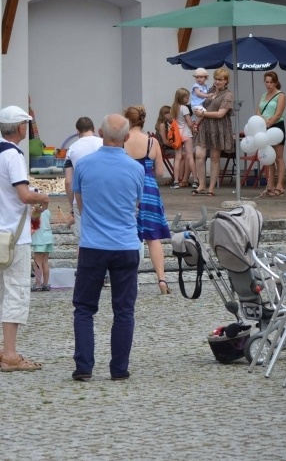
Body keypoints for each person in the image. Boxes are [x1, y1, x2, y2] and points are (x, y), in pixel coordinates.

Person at [71, 113, 145, 381]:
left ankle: (84, 366)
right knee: (124, 310)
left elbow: (80, 203)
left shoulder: (84, 165)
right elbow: (136, 204)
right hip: (125, 244)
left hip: (93, 244)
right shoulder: (137, 169)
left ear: (100, 134)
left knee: (83, 308)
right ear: (126, 137)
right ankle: (119, 368)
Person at [0, 105, 49, 372]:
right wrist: (42, 196)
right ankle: (10, 354)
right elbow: (23, 195)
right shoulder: (13, 155)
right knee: (17, 292)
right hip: (15, 236)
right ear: (21, 127)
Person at [124, 106, 172, 295]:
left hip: (127, 188)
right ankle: (161, 279)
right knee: (153, 238)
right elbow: (160, 172)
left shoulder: (122, 142)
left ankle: (129, 279)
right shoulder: (152, 142)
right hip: (149, 188)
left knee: (127, 235)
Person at [192, 68, 235, 196]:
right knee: (199, 155)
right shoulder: (209, 90)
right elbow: (202, 106)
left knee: (215, 158)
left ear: (226, 81)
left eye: (220, 79)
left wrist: (203, 114)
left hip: (218, 126)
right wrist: (197, 122)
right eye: (216, 78)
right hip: (205, 125)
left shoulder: (228, 95)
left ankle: (211, 188)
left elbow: (221, 114)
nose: (217, 81)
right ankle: (201, 184)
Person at [64, 117, 103, 239]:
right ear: (94, 129)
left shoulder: (72, 149)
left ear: (77, 131)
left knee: (83, 241)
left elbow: (69, 182)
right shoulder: (103, 144)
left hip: (81, 199)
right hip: (103, 198)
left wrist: (72, 205)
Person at [257, 71, 286, 197]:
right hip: (264, 127)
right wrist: (261, 122)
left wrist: (269, 123)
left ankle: (280, 185)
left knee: (278, 157)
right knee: (269, 158)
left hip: (276, 127)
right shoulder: (263, 95)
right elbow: (258, 110)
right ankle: (270, 184)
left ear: (275, 82)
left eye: (271, 82)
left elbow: (278, 113)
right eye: (267, 82)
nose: (268, 85)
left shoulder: (280, 95)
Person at [172, 88, 198, 189]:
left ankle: (175, 181)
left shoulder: (173, 108)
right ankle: (195, 180)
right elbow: (189, 122)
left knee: (177, 158)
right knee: (190, 157)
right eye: (187, 97)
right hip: (186, 133)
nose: (188, 99)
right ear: (182, 98)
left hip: (177, 135)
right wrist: (194, 125)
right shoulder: (184, 108)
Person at [155, 105, 180, 187]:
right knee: (182, 154)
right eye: (170, 113)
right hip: (164, 150)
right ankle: (178, 178)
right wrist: (176, 145)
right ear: (164, 114)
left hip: (165, 148)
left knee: (182, 154)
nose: (171, 115)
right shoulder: (162, 125)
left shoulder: (165, 124)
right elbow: (165, 142)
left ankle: (177, 177)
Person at [31, 203, 53, 291]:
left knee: (38, 262)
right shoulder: (47, 211)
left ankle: (38, 284)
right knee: (45, 261)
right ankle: (46, 283)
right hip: (48, 237)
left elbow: (33, 224)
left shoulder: (34, 211)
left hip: (39, 238)